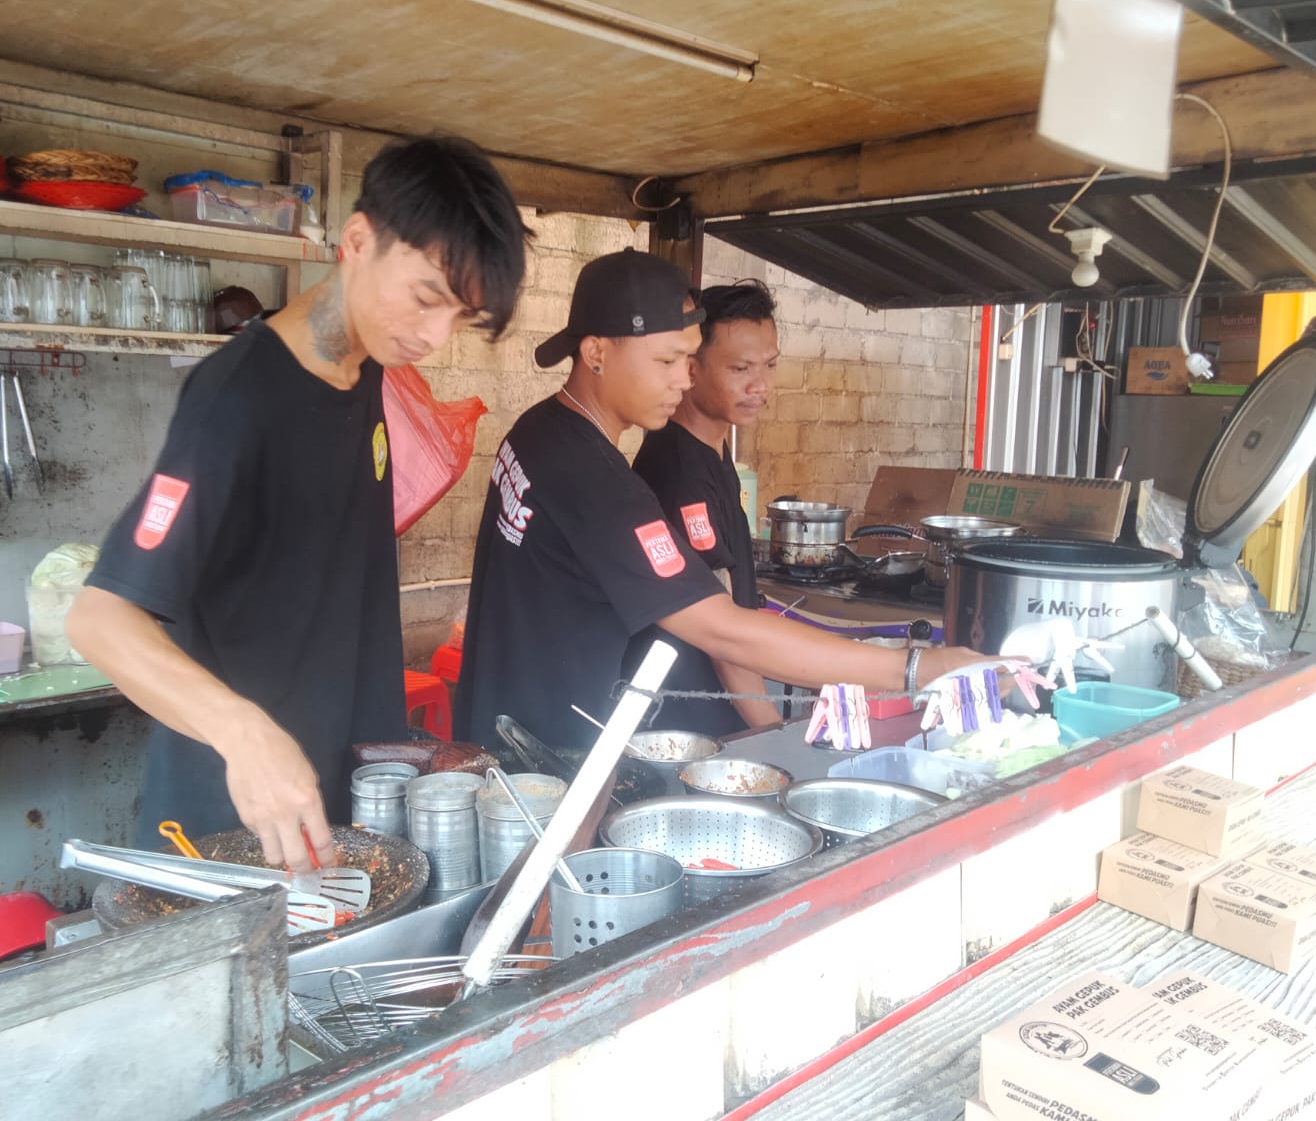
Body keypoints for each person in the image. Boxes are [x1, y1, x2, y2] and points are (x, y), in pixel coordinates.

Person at [67, 136, 530, 869]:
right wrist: (245, 734)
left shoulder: (366, 369)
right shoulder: (235, 400)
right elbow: (100, 620)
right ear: (356, 241)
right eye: (425, 299)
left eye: (461, 319)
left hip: (335, 810)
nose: (434, 337)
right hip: (232, 829)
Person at [454, 249, 984, 755]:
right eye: (668, 359)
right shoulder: (595, 479)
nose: (684, 379)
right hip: (544, 759)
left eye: (688, 359)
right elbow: (722, 629)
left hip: (500, 725)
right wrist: (915, 669)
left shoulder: (538, 430)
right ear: (596, 352)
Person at [630, 278, 779, 734]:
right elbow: (724, 642)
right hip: (684, 718)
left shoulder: (711, 446)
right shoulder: (681, 473)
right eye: (740, 369)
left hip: (712, 706)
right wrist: (777, 738)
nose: (761, 386)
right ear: (691, 368)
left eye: (769, 366)